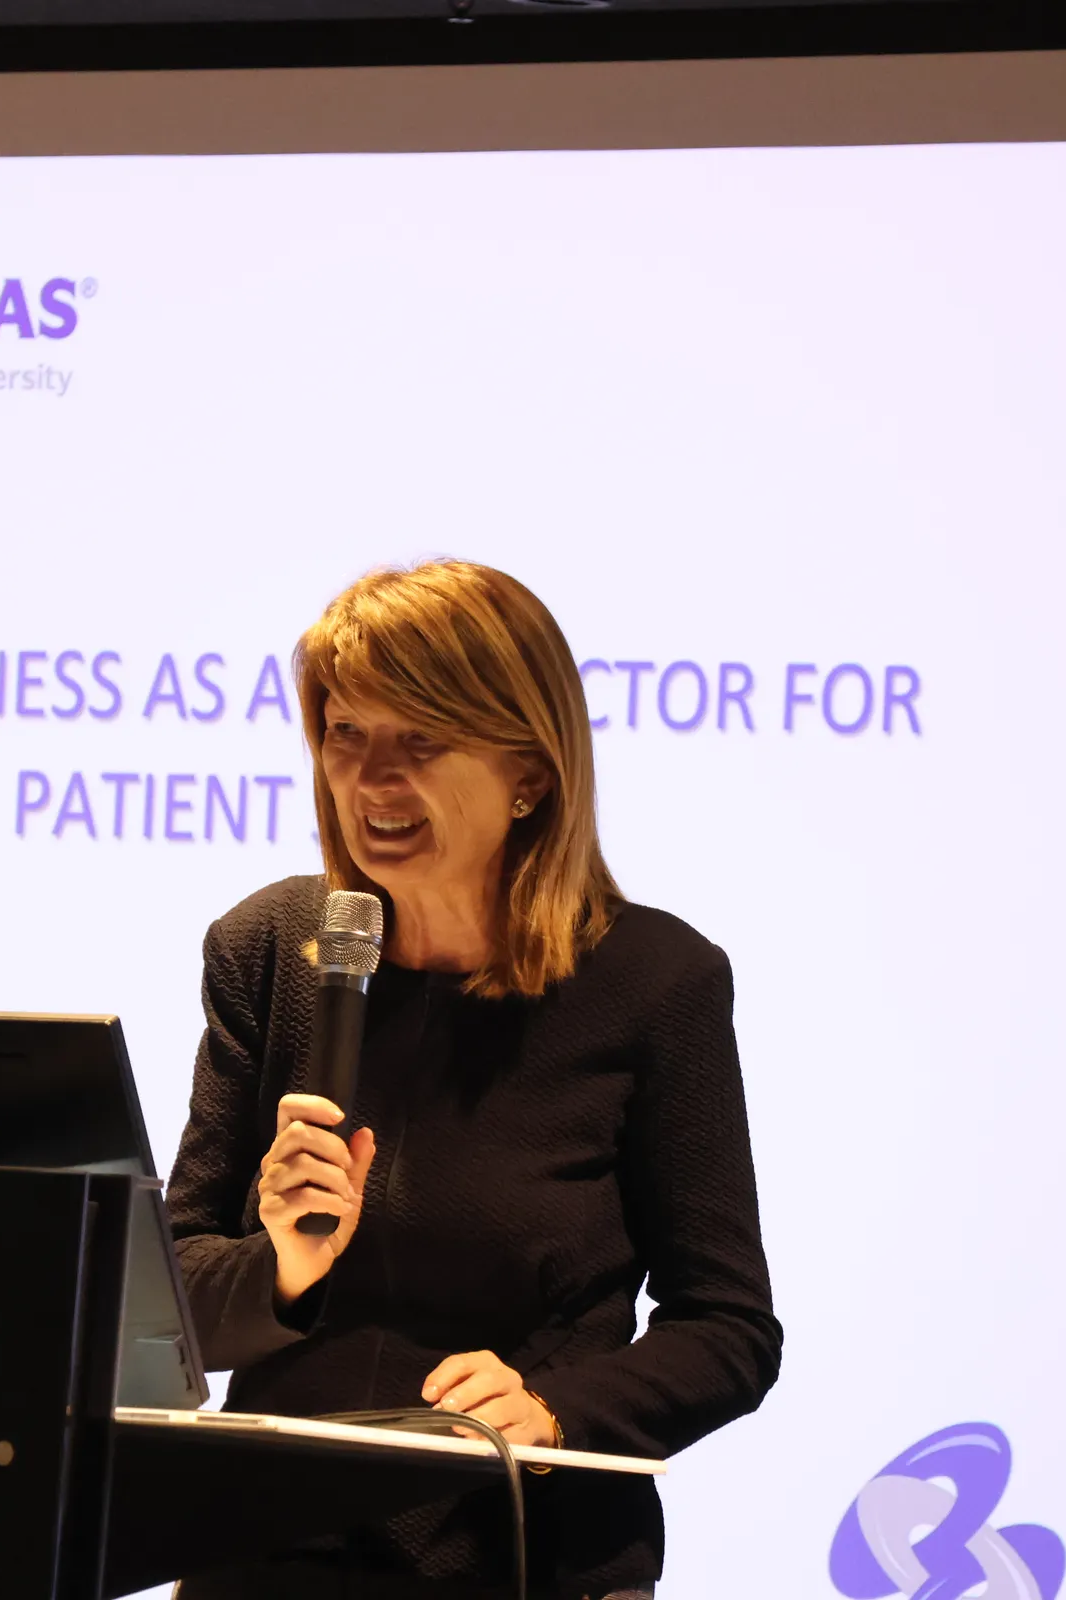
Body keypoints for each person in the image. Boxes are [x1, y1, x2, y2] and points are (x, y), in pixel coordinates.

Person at [168, 561, 782, 1600]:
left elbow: (728, 1329)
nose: (371, 779)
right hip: (268, 1553)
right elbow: (171, 1302)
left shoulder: (654, 982)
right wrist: (281, 1268)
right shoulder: (270, 949)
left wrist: (554, 1411)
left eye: (420, 740)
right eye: (346, 733)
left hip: (523, 1553)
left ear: (528, 773)